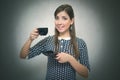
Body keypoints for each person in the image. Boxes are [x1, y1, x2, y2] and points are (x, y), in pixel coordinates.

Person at [20, 4, 90, 80]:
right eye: (57, 18)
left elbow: (86, 73)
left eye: (64, 18)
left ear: (71, 21)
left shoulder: (80, 43)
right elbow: (23, 55)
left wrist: (70, 59)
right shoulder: (48, 40)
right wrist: (30, 39)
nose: (59, 22)